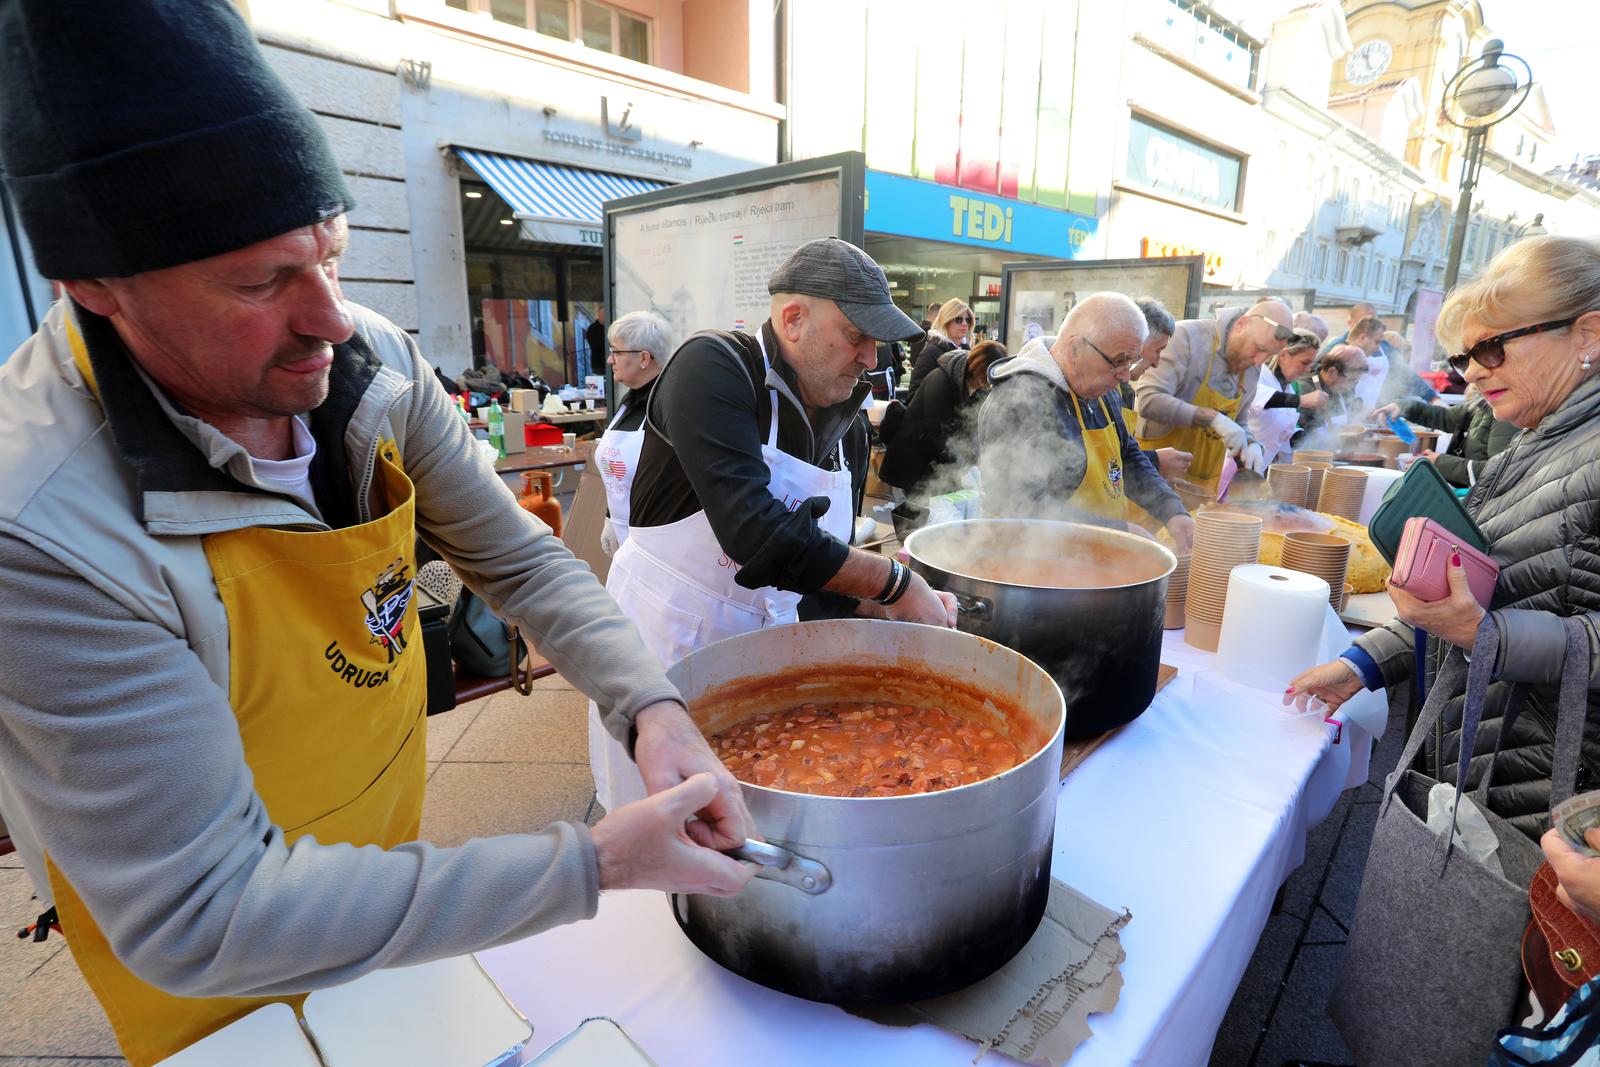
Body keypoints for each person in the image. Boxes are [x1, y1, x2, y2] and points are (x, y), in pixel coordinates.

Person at [0, 3, 754, 1063]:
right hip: (210, 955)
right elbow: (201, 914)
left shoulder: (376, 367)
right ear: (95, 289)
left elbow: (520, 555)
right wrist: (590, 862)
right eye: (262, 281)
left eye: (333, 256)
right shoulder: (33, 523)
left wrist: (651, 702)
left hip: (392, 858)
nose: (331, 318)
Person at [591, 237, 959, 812]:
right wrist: (895, 585)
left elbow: (816, 564)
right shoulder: (713, 367)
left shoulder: (849, 428)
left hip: (771, 645)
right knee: (657, 827)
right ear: (793, 318)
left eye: (876, 343)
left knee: (755, 829)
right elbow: (755, 534)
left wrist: (883, 608)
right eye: (856, 336)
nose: (871, 359)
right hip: (671, 641)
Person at [1287, 234, 1600, 847]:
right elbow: (1488, 589)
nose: (1475, 372)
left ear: (1587, 334)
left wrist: (1490, 636)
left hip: (1554, 804)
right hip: (1495, 761)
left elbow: (1489, 618)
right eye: (1465, 357)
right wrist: (1366, 663)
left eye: (1492, 347)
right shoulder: (1544, 434)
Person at [978, 292, 1195, 549]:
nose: (1126, 376)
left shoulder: (1101, 391)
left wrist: (1172, 510)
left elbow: (1126, 459)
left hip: (1094, 556)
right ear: (1075, 349)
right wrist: (1118, 532)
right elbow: (1020, 506)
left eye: (1132, 361)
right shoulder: (1019, 401)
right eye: (1118, 361)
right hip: (1035, 568)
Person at [1132, 298, 1294, 489]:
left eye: (1269, 356)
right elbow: (1148, 400)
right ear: (1241, 325)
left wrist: (1252, 444)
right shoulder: (1186, 337)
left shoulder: (1253, 366)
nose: (1260, 361)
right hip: (1155, 480)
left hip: (1203, 488)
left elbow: (1239, 422)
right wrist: (1211, 418)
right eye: (1259, 349)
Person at [878, 339, 1005, 498]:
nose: (989, 384)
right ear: (980, 368)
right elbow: (937, 433)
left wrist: (975, 460)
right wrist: (961, 466)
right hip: (914, 460)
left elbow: (973, 428)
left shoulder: (979, 389)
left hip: (936, 463)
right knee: (918, 516)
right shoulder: (941, 380)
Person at [597, 310, 673, 556]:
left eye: (616, 352)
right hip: (621, 533)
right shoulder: (627, 404)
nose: (610, 360)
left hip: (656, 540)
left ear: (643, 358)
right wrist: (611, 516)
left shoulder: (667, 408)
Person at [1371, 385, 1517, 488]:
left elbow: (1499, 473)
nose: (1468, 377)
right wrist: (1404, 407)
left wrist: (1440, 462)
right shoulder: (1485, 404)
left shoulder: (1508, 412)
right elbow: (1446, 417)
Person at [1123, 298, 1191, 483]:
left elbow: (1120, 455)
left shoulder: (1125, 392)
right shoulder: (1097, 391)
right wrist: (1156, 460)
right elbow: (1101, 460)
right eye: (1158, 350)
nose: (1156, 362)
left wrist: (1156, 480)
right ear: (1138, 342)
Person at [1250, 328, 1326, 464]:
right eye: (1304, 363)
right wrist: (1301, 400)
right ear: (1283, 355)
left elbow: (1282, 431)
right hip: (1235, 462)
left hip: (1259, 465)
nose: (1308, 369)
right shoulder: (1259, 374)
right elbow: (1256, 397)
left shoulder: (1288, 387)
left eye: (1310, 364)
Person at [1291, 344, 1368, 436]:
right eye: (1350, 380)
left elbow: (1351, 415)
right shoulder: (1305, 388)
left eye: (1355, 381)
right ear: (1332, 372)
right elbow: (1303, 433)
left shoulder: (1342, 389)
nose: (1350, 387)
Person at [908, 298, 973, 392]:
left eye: (968, 320)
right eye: (958, 319)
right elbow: (915, 393)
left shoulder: (966, 349)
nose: (964, 324)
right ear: (946, 320)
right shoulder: (931, 352)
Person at [1345, 315, 1391, 411]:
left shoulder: (1360, 359)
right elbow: (1314, 375)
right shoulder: (1339, 356)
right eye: (1377, 342)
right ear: (1362, 338)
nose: (1379, 348)